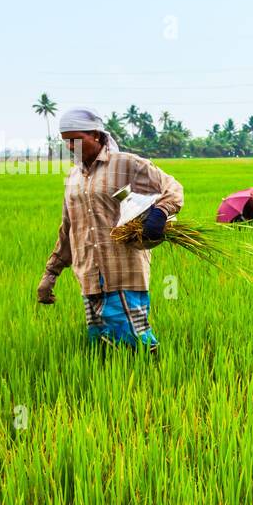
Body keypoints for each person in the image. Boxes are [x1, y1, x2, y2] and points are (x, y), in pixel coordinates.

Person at [36, 107, 185, 353]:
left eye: (76, 139)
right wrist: (50, 275)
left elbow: (172, 187)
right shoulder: (73, 178)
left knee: (136, 340)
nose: (71, 147)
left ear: (95, 135)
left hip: (123, 270)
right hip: (89, 276)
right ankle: (118, 384)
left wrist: (160, 212)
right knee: (102, 345)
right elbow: (68, 229)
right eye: (66, 142)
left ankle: (156, 379)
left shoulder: (125, 164)